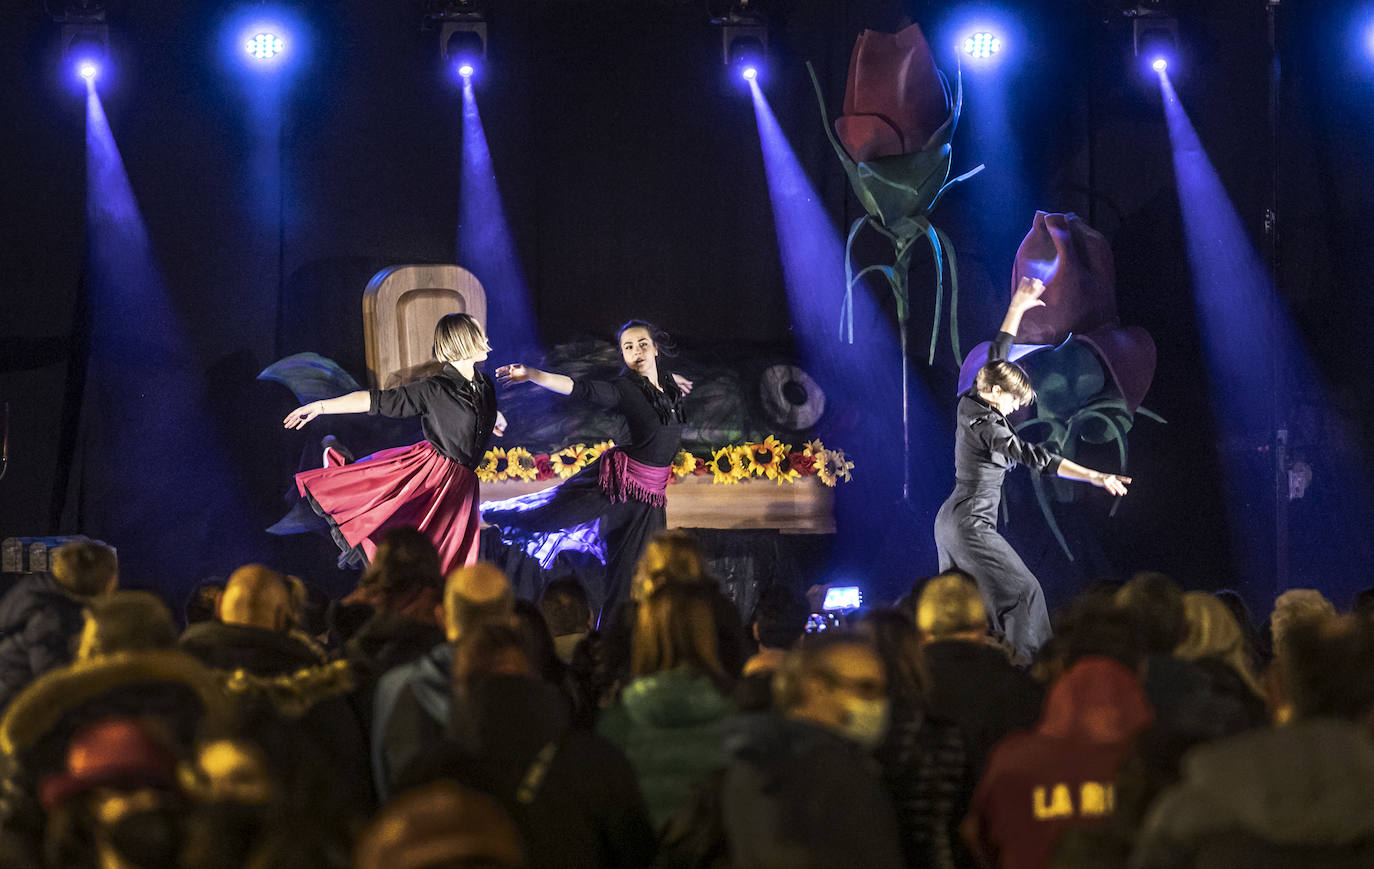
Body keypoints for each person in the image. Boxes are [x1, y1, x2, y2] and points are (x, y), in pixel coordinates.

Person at [934, 277, 1131, 663]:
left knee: (967, 608)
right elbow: (1036, 457)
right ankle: (1029, 674)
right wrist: (1095, 476)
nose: (1014, 408)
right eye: (1012, 400)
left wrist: (1018, 307)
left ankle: (967, 672)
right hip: (970, 522)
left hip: (951, 522)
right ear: (993, 391)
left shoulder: (973, 403)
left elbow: (998, 354)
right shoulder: (986, 424)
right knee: (1025, 593)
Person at [484, 319, 692, 613]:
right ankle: (501, 513)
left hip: (652, 500)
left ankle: (642, 641)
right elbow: (576, 388)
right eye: (628, 347)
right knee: (625, 580)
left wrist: (672, 377)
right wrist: (532, 374)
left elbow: (664, 396)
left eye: (643, 344)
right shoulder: (623, 389)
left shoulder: (670, 386)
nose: (637, 352)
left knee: (653, 577)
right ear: (622, 355)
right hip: (623, 493)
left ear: (656, 348)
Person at [284, 313, 502, 576]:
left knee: (452, 565)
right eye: (479, 333)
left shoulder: (484, 385)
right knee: (433, 561)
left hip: (463, 485)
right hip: (435, 479)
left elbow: (475, 414)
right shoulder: (433, 389)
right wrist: (320, 407)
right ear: (463, 340)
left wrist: (492, 419)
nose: (486, 338)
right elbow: (374, 400)